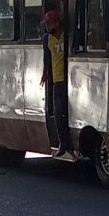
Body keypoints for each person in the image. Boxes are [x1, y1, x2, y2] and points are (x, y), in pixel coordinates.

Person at [40, 9, 72, 157]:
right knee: (58, 113)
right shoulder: (47, 39)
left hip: (70, 79)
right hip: (58, 80)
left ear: (57, 23)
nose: (47, 27)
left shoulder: (67, 36)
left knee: (68, 111)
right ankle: (62, 142)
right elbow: (47, 59)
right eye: (46, 24)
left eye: (49, 24)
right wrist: (45, 74)